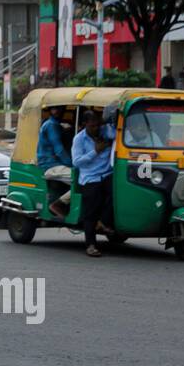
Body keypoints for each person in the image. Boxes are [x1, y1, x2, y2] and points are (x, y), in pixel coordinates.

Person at [72, 108, 116, 258]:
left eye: (97, 125)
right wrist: (95, 151)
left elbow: (117, 134)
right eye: (92, 126)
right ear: (85, 125)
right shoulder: (79, 139)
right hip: (90, 177)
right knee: (90, 212)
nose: (96, 129)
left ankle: (104, 221)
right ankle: (91, 245)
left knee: (119, 193)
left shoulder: (105, 131)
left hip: (108, 174)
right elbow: (77, 162)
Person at [37, 105, 74, 219]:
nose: (57, 111)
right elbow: (59, 150)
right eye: (54, 108)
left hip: (55, 165)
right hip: (51, 165)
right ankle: (58, 205)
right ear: (49, 110)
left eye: (59, 108)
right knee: (82, 180)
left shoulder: (56, 125)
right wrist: (73, 165)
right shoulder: (51, 125)